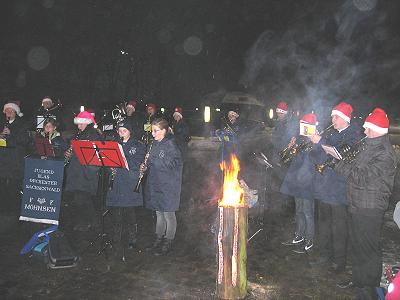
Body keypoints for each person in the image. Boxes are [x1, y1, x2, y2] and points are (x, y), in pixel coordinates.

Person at [334, 108, 397, 300]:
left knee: (369, 249)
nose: (365, 132)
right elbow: (356, 168)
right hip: (359, 204)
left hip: (371, 207)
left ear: (377, 129)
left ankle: (368, 289)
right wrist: (345, 162)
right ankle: (359, 280)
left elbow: (362, 177)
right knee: (358, 245)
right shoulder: (369, 146)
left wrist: (341, 165)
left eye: (368, 128)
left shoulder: (385, 153)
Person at [308, 102, 362, 272]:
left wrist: (321, 141)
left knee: (339, 228)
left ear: (345, 119)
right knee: (324, 225)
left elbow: (341, 153)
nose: (333, 119)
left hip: (339, 190)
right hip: (324, 188)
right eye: (332, 116)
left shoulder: (353, 135)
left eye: (336, 117)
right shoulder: (330, 133)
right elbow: (316, 158)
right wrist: (315, 144)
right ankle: (324, 256)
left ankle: (339, 262)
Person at [143, 118, 183, 256]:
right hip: (155, 183)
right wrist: (145, 165)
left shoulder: (171, 145)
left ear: (164, 131)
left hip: (168, 185)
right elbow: (149, 162)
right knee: (158, 212)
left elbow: (172, 166)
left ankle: (168, 241)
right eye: (152, 131)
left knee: (168, 214)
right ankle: (158, 238)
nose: (152, 134)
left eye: (155, 131)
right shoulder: (153, 144)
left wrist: (155, 160)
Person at [280, 113, 318, 253]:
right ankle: (299, 235)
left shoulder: (316, 140)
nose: (302, 128)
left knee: (308, 212)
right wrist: (291, 148)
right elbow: (287, 159)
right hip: (297, 180)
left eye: (305, 126)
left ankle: (310, 239)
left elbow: (316, 158)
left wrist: (315, 143)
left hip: (308, 182)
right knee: (299, 211)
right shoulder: (301, 139)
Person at [106, 121, 146, 249]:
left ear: (130, 131)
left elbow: (138, 162)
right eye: (119, 130)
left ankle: (132, 240)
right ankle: (116, 239)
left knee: (130, 213)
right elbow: (106, 161)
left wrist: (121, 160)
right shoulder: (113, 144)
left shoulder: (138, 145)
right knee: (116, 213)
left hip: (130, 182)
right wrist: (110, 166)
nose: (121, 132)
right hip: (117, 182)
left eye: (125, 130)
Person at [64, 111, 102, 231]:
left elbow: (94, 152)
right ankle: (90, 222)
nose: (79, 126)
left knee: (82, 198)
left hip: (85, 172)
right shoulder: (79, 134)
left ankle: (86, 223)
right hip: (77, 170)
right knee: (81, 198)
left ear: (87, 123)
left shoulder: (93, 134)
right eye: (78, 124)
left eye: (81, 124)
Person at [0, 101, 29, 193]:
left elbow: (24, 140)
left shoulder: (22, 124)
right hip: (3, 159)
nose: (9, 113)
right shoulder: (2, 123)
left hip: (15, 160)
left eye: (11, 111)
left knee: (13, 187)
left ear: (16, 113)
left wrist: (11, 133)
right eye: (7, 111)